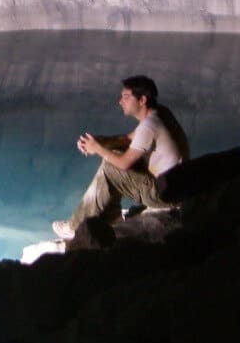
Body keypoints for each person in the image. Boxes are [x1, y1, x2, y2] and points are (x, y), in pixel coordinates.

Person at [52, 75, 190, 240]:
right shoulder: (160, 113)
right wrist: (100, 141)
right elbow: (126, 139)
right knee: (113, 156)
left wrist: (97, 149)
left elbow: (123, 164)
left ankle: (75, 227)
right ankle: (110, 216)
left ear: (142, 100)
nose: (120, 101)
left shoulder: (149, 126)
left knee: (110, 167)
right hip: (174, 188)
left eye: (126, 97)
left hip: (163, 196)